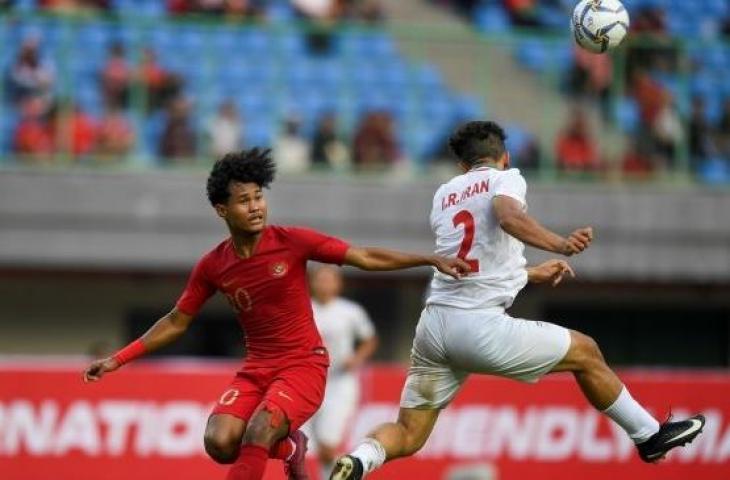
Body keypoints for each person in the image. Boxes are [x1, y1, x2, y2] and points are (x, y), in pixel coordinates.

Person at [330, 121, 705, 480]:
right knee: (586, 352)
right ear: (504, 156)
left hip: (433, 327)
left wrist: (529, 272)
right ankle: (648, 436)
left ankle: (361, 459)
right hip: (478, 326)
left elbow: (475, 261)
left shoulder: (445, 193)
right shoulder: (507, 178)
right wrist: (559, 243)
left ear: (462, 165)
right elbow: (507, 217)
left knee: (408, 433)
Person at [83, 148, 468, 480]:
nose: (255, 207)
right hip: (257, 368)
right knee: (219, 441)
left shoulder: (291, 242)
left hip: (304, 365)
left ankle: (281, 445)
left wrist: (427, 259)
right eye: (243, 201)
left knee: (257, 431)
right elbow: (176, 321)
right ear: (222, 209)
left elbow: (363, 256)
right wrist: (119, 359)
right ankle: (290, 449)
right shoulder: (213, 265)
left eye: (258, 197)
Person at [304, 266, 378, 480]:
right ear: (312, 283)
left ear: (338, 284)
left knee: (328, 445)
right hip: (308, 383)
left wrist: (356, 359)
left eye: (330, 280)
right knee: (313, 448)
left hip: (339, 384)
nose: (325, 285)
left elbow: (369, 339)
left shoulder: (350, 311)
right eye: (321, 280)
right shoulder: (303, 309)